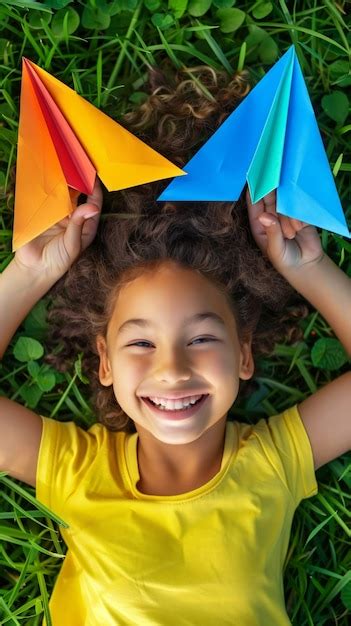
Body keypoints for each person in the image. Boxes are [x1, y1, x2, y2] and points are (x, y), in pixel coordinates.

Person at [0, 65, 350, 626]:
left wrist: (308, 269)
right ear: (105, 363)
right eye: (140, 342)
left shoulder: (274, 463)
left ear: (244, 353)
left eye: (204, 337)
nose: (173, 368)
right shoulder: (78, 471)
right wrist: (30, 273)